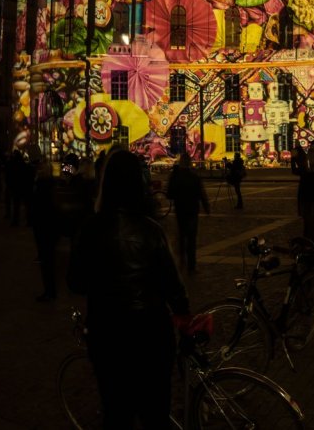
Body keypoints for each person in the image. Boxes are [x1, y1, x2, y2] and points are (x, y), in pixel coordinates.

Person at [67, 149, 191, 429]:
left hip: (107, 332)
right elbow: (173, 286)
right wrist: (183, 315)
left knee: (116, 411)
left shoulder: (90, 229)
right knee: (155, 413)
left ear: (105, 183)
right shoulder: (151, 229)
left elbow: (75, 282)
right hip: (152, 333)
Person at [166, 153, 210, 273]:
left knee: (181, 236)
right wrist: (206, 208)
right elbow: (201, 193)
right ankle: (191, 265)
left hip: (180, 210)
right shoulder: (194, 177)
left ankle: (181, 261)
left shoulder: (175, 177)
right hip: (192, 211)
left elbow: (169, 194)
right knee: (191, 239)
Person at [31, 160, 60, 301]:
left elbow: (37, 208)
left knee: (46, 261)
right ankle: (50, 290)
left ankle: (49, 291)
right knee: (49, 260)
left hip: (43, 227)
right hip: (50, 227)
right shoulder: (52, 186)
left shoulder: (41, 186)